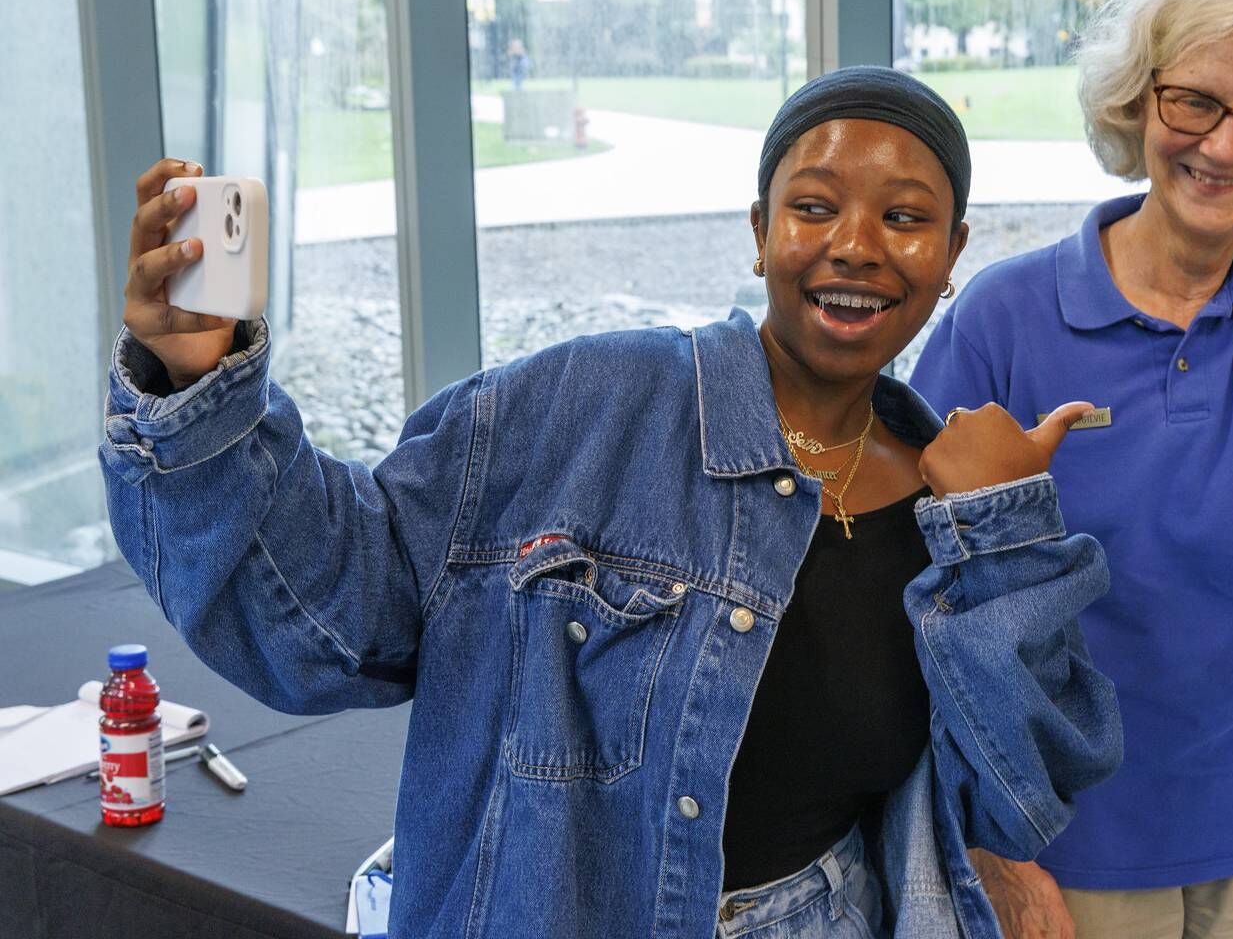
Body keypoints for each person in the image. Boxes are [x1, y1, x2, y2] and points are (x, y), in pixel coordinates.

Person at [102, 66, 1122, 939]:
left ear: (950, 260)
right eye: (814, 206)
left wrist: (1004, 529)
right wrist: (196, 384)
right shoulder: (582, 404)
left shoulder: (953, 505)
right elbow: (329, 617)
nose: (856, 244)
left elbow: (1017, 792)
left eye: (905, 218)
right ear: (760, 233)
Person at [912, 0, 1233, 939]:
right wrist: (988, 835)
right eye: (1195, 103)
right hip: (1063, 827)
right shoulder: (1005, 318)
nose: (1225, 147)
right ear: (1138, 102)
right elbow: (915, 591)